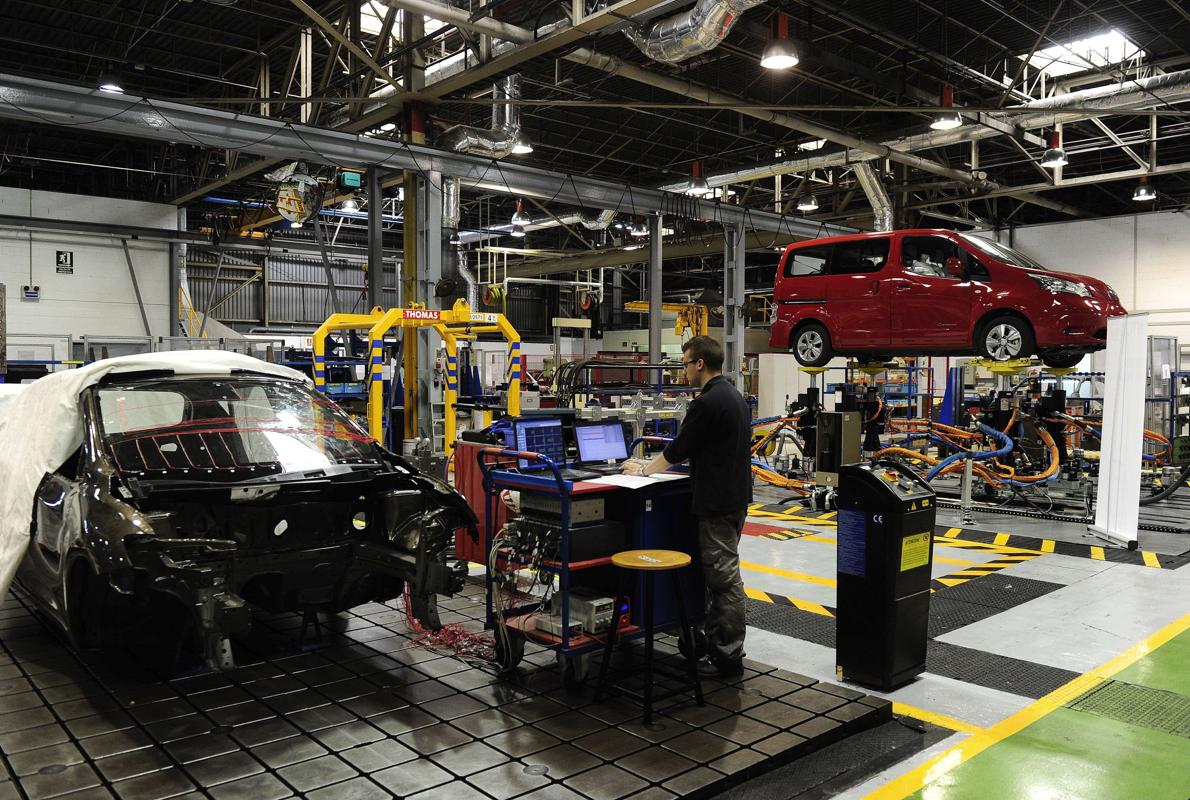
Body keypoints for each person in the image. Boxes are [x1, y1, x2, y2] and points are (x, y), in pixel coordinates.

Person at [621, 335, 752, 677]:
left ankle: (727, 658)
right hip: (735, 499)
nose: (683, 372)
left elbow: (679, 448)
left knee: (724, 580)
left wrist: (644, 470)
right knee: (720, 576)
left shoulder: (706, 403)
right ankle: (716, 643)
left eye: (685, 364)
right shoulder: (734, 396)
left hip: (717, 504)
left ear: (700, 364)